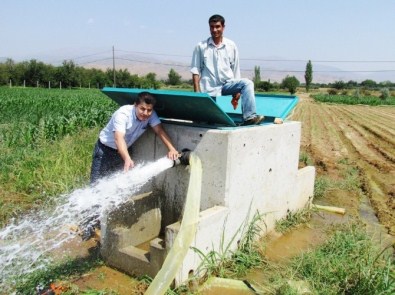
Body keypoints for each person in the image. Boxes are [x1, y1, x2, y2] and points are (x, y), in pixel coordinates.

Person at [191, 14, 283, 125]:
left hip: (227, 85)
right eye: (212, 27)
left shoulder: (231, 45)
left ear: (223, 27)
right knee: (206, 122)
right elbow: (195, 70)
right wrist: (197, 93)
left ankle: (249, 117)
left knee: (247, 83)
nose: (214, 30)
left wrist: (237, 91)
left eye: (217, 26)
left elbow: (235, 68)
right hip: (208, 87)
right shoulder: (201, 46)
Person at [90, 91, 179, 184]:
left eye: (149, 110)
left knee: (120, 184)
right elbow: (119, 138)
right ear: (135, 105)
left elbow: (160, 131)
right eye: (142, 109)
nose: (145, 113)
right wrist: (127, 159)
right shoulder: (123, 114)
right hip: (105, 151)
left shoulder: (151, 115)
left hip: (124, 151)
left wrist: (172, 149)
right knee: (96, 184)